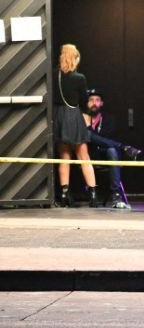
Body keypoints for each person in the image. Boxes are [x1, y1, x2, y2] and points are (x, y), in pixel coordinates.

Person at [53, 44, 97, 207]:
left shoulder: (54, 75)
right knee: (84, 157)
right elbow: (84, 100)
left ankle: (64, 195)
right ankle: (93, 194)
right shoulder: (79, 78)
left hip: (59, 116)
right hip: (73, 115)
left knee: (64, 157)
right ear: (75, 58)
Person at [84, 88, 141, 209]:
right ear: (87, 103)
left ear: (101, 103)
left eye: (97, 100)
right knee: (89, 135)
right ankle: (125, 148)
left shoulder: (108, 120)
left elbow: (104, 139)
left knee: (112, 150)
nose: (94, 103)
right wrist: (88, 126)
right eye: (91, 100)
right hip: (87, 154)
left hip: (104, 154)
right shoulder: (82, 119)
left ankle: (116, 196)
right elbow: (89, 138)